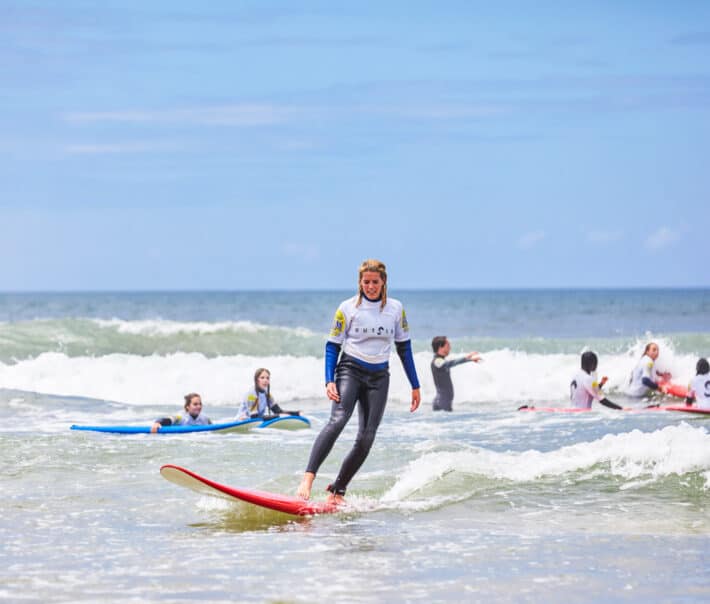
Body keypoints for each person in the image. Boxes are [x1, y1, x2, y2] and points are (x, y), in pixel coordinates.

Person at [296, 259, 421, 505]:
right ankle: (308, 478)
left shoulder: (396, 309)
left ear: (383, 282)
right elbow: (333, 345)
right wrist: (328, 380)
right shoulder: (348, 307)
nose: (371, 286)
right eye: (366, 282)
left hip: (379, 376)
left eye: (375, 282)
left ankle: (337, 490)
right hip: (350, 370)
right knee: (339, 419)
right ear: (360, 282)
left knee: (366, 437)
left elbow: (404, 348)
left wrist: (415, 385)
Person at [430, 335, 482, 412]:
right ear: (440, 347)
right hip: (442, 403)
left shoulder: (440, 360)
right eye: (448, 346)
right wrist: (466, 358)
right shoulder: (437, 361)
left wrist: (468, 359)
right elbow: (451, 363)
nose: (450, 348)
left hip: (443, 402)